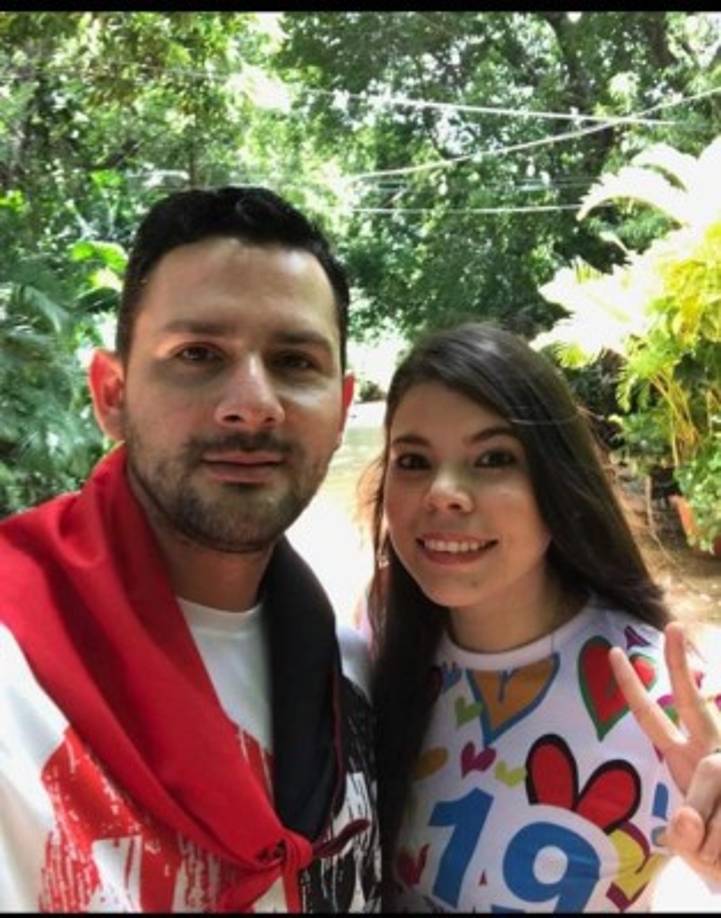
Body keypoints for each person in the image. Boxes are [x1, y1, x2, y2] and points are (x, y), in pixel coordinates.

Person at [0, 186, 380, 912]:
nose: (252, 404)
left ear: (341, 408)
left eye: (295, 361)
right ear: (111, 394)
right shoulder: (17, 675)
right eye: (197, 354)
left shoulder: (349, 676)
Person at [363, 321, 721, 912]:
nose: (443, 492)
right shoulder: (376, 635)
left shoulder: (663, 694)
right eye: (414, 460)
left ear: (557, 481)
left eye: (493, 458)